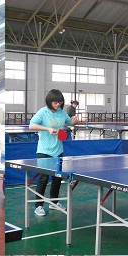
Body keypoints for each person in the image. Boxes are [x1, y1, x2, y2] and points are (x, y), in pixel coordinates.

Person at [28, 89, 80, 217]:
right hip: (44, 151)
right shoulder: (43, 112)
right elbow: (31, 125)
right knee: (43, 178)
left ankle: (53, 202)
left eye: (60, 103)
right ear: (50, 101)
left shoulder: (62, 113)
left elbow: (69, 122)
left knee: (57, 178)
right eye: (55, 102)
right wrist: (47, 129)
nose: (58, 105)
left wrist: (73, 121)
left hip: (58, 150)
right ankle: (38, 206)